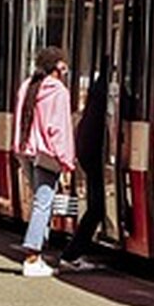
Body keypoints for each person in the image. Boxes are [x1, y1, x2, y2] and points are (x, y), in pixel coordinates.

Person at [14, 46, 75, 278]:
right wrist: (66, 161)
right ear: (59, 66)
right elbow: (58, 130)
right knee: (43, 202)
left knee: (40, 201)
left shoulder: (28, 85)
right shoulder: (58, 91)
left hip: (27, 150)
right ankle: (32, 255)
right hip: (47, 154)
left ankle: (38, 253)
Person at [60, 71, 108, 271]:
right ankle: (71, 254)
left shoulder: (97, 90)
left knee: (96, 206)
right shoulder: (107, 90)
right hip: (94, 152)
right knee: (96, 207)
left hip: (88, 151)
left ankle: (73, 253)